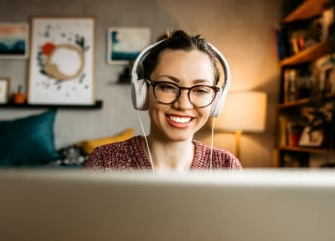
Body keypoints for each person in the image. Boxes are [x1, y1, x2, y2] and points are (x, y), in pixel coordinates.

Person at [84, 29, 242, 173]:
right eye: (167, 87)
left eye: (200, 90)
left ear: (216, 100)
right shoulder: (104, 162)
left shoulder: (226, 166)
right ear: (143, 92)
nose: (183, 105)